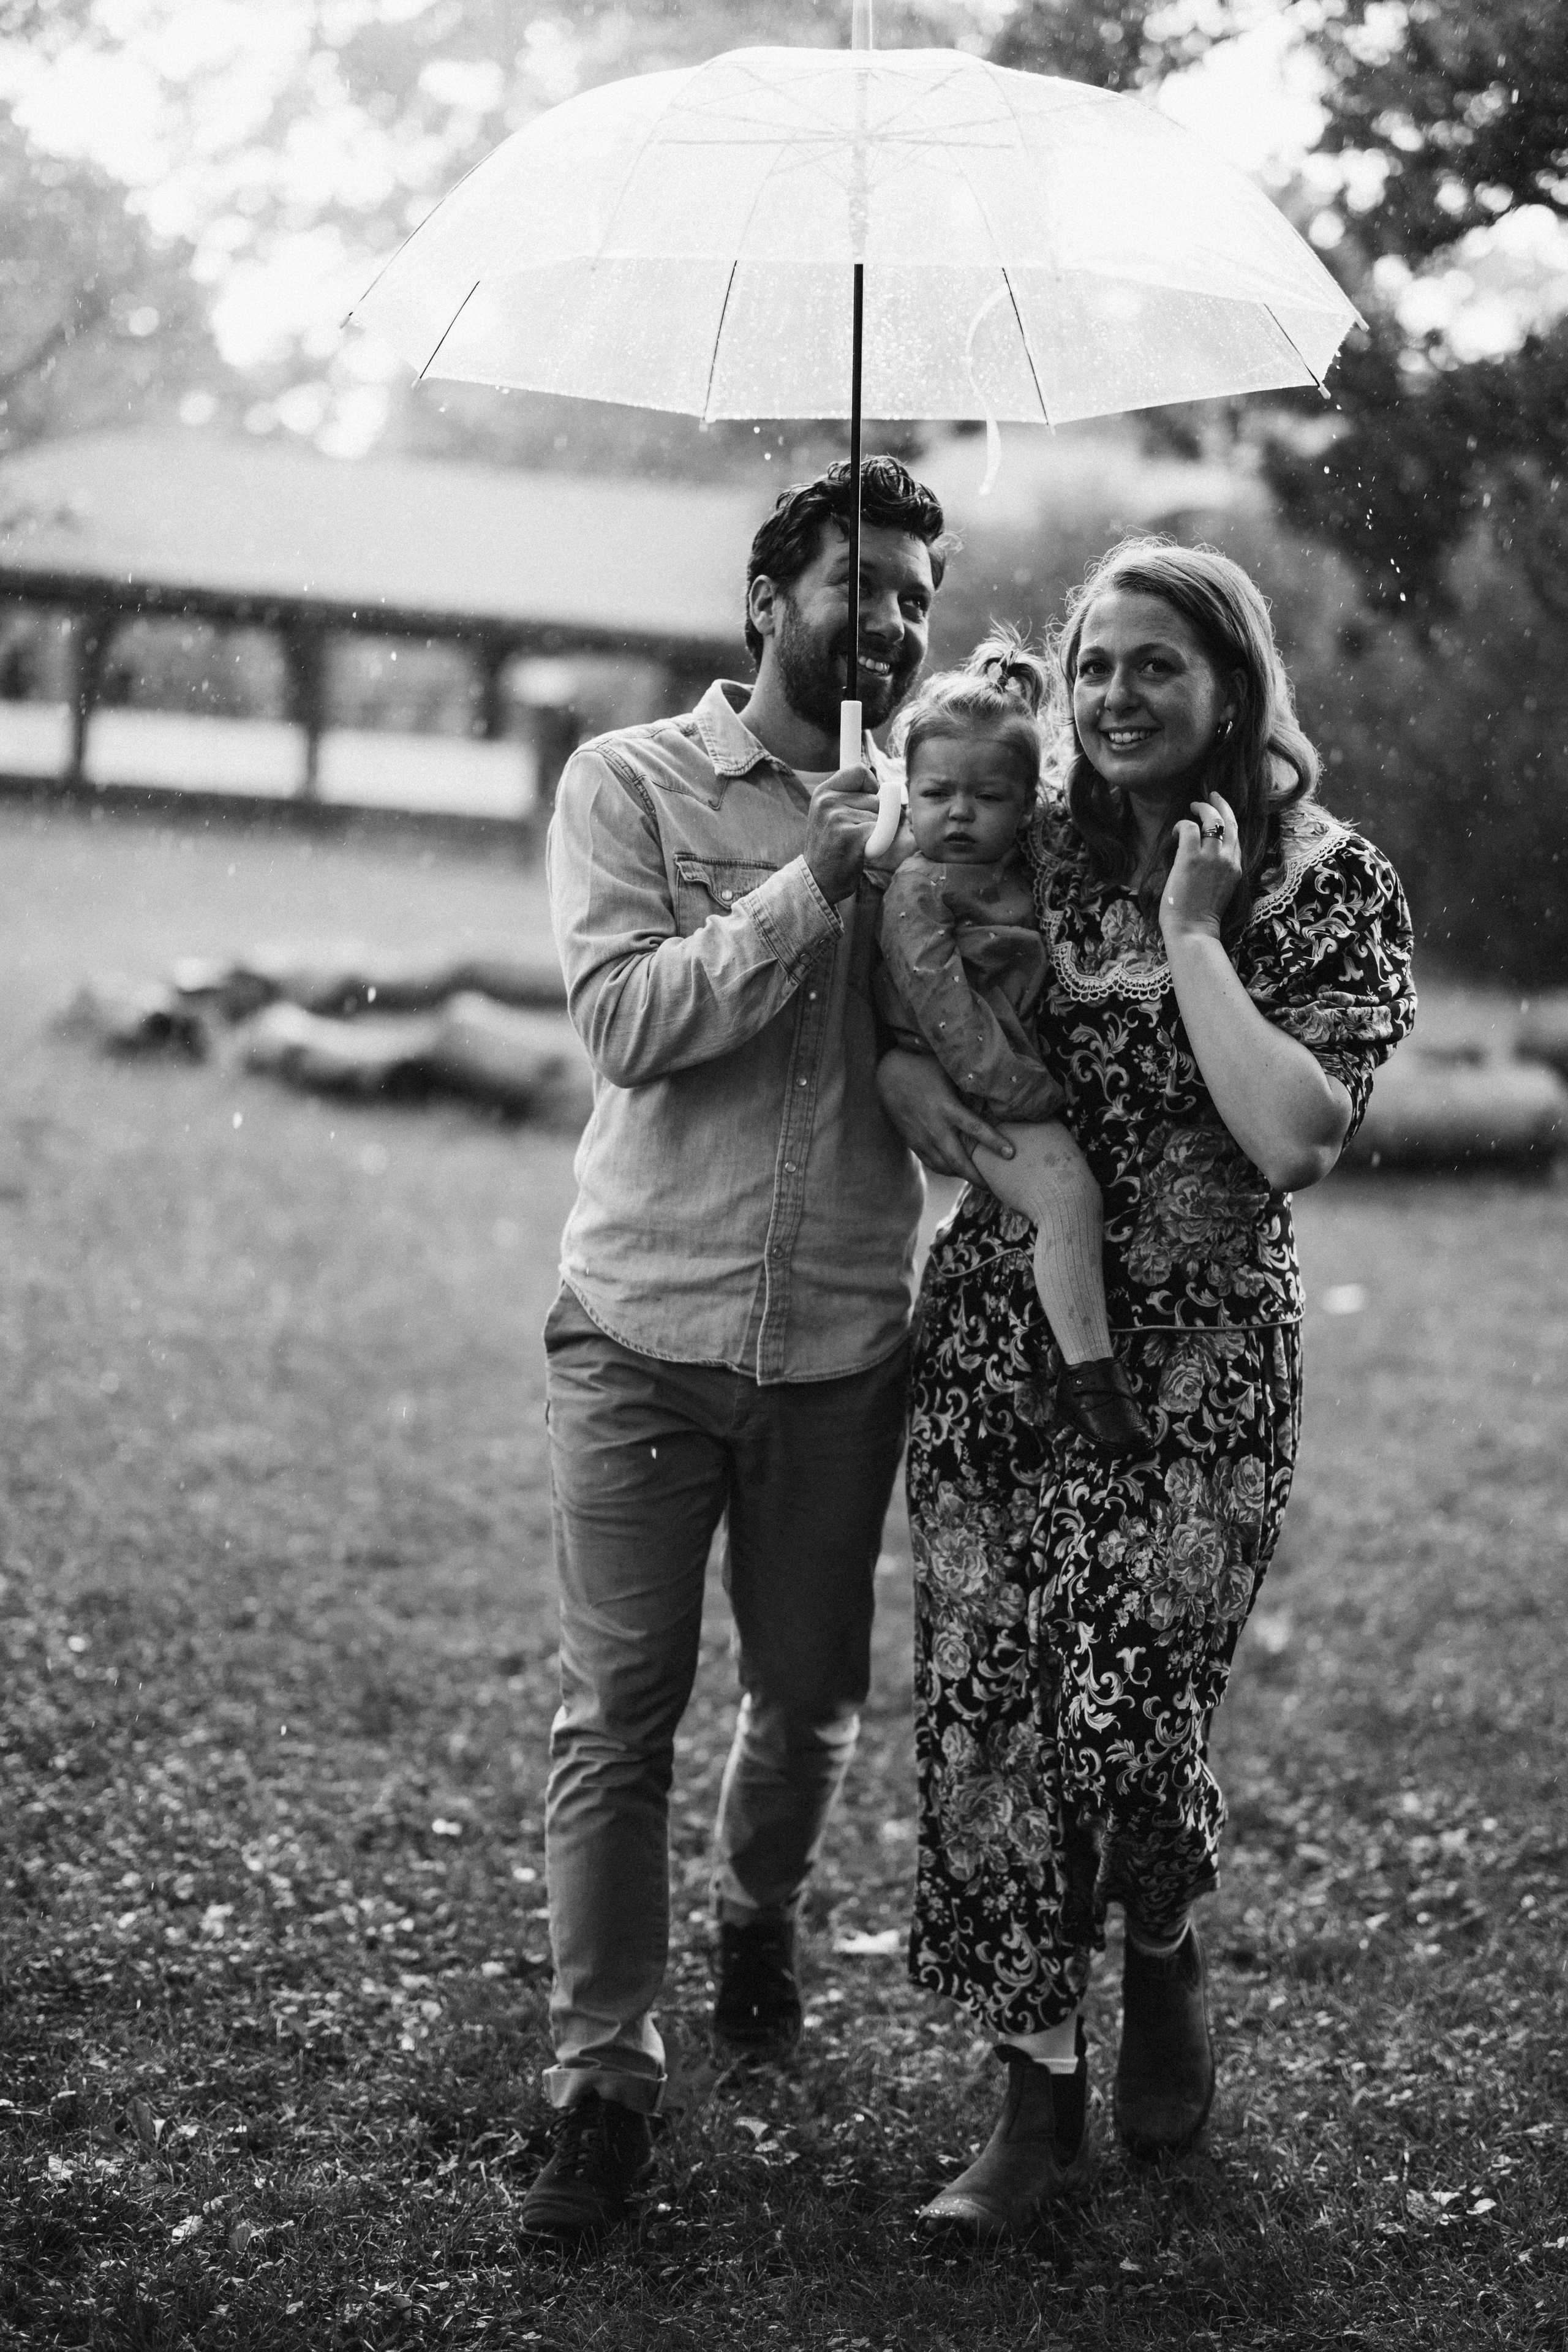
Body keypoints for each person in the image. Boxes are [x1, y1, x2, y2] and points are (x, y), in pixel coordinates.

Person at [878, 539, 1417, 2238]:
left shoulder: (1322, 881)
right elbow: (903, 972)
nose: (1113, 696)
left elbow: (1292, 1135)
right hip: (998, 1345)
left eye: (1154, 666)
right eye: (1094, 665)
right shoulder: (1029, 838)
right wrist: (902, 1079)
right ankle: (1033, 2091)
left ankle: (1162, 1935)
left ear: (1232, 686)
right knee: (989, 1709)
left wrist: (1191, 933)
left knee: (1121, 1712)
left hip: (1197, 1370)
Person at [519, 456, 949, 2245]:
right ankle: (601, 2083)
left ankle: (755, 1910)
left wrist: (931, 888)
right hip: (642, 1325)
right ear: (768, 602)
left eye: (917, 592)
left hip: (842, 1340)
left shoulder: (943, 811)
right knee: (619, 1710)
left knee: (811, 1695)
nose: (893, 617)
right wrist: (806, 889)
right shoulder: (629, 783)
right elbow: (626, 1022)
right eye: (860, 580)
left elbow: (971, 1057)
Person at [876, 628, 1150, 1457]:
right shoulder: (920, 889)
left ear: (1029, 803)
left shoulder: (1020, 868)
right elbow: (946, 1013)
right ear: (908, 794)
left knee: (1067, 1204)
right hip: (984, 1086)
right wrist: (1022, 1093)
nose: (959, 814)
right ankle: (1091, 1377)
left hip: (1005, 1068)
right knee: (1068, 1197)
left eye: (988, 797)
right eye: (936, 794)